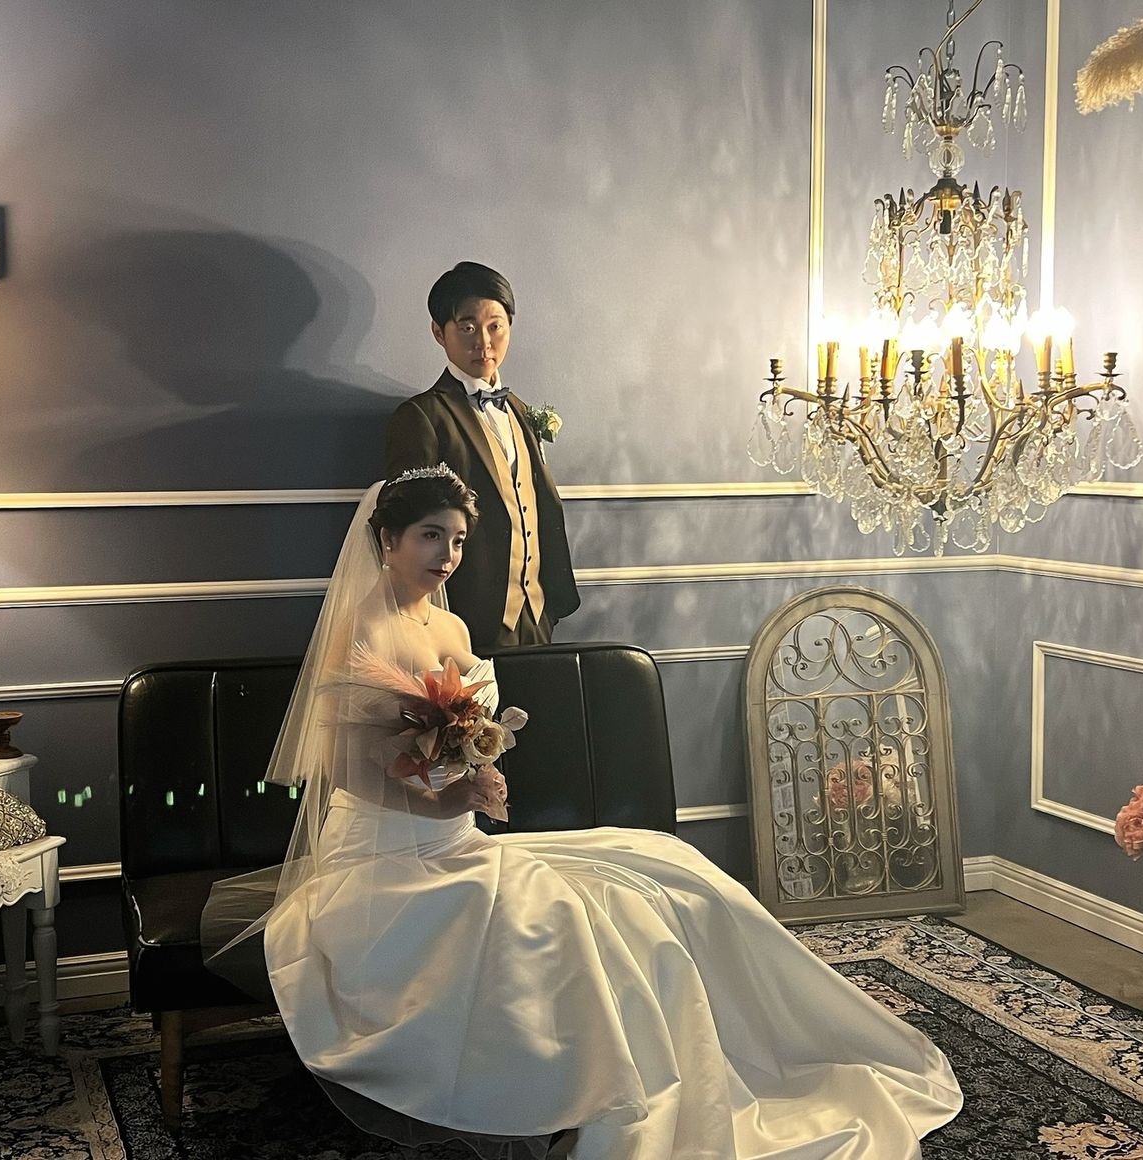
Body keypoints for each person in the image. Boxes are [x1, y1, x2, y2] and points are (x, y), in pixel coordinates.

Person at [204, 466, 962, 1160]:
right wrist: (443, 798)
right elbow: (346, 770)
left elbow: (469, 736)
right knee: (560, 918)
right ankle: (578, 1100)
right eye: (431, 536)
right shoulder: (363, 632)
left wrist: (482, 774)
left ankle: (744, 1055)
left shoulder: (451, 628)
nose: (448, 555)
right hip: (387, 858)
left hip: (456, 838)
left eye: (459, 540)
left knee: (666, 869)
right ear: (387, 540)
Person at [384, 261, 579, 651]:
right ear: (439, 332)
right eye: (468, 327)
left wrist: (550, 609)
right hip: (463, 621)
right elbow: (409, 531)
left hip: (538, 616)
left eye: (496, 326)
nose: (484, 342)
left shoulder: (521, 411)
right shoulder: (422, 416)